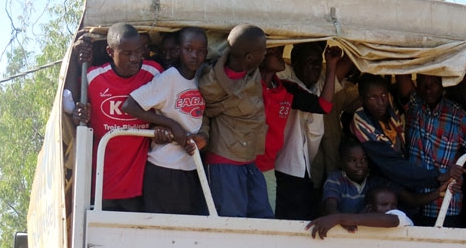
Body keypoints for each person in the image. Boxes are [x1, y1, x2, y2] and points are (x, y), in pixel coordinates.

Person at [73, 23, 162, 212]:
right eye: (127, 53)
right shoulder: (93, 78)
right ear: (109, 51)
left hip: (139, 189)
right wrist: (77, 114)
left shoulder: (154, 73)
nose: (135, 58)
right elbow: (71, 104)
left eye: (138, 52)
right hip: (100, 188)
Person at [122, 27, 209, 215]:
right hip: (164, 167)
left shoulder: (202, 79)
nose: (195, 55)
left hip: (191, 165)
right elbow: (130, 105)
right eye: (189, 49)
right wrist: (171, 124)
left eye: (200, 51)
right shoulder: (169, 78)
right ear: (179, 51)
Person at [253, 43, 342, 220]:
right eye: (275, 51)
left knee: (268, 221)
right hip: (244, 164)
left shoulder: (285, 88)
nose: (280, 54)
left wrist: (331, 66)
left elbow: (324, 106)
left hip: (271, 168)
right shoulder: (247, 84)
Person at [197, 24, 270, 218]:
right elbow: (201, 110)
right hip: (225, 163)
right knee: (230, 220)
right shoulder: (212, 83)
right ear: (248, 57)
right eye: (263, 51)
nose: (266, 54)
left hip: (248, 160)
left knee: (262, 218)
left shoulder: (251, 73)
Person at [351, 73, 464, 195]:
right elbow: (392, 164)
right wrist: (437, 177)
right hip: (382, 184)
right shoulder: (361, 120)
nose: (380, 101)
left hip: (405, 177)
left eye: (383, 94)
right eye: (372, 97)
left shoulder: (391, 107)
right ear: (362, 99)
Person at [398, 74, 466, 227]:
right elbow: (402, 74)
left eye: (433, 83)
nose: (428, 89)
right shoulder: (414, 107)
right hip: (414, 202)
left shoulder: (457, 114)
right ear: (417, 85)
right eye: (423, 83)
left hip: (446, 205)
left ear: (442, 84)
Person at [307, 185, 413, 238]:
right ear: (370, 208)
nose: (391, 208)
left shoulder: (401, 217)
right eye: (384, 205)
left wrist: (337, 218)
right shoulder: (363, 220)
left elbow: (392, 220)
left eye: (394, 205)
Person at [320, 140, 372, 215]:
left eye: (363, 159)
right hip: (339, 224)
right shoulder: (335, 179)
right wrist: (343, 220)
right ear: (341, 163)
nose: (359, 165)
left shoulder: (372, 181)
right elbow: (330, 207)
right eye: (353, 160)